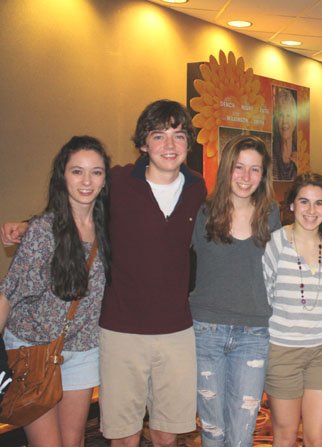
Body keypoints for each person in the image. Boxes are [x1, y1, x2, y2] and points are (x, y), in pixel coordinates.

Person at [97, 100, 206, 446]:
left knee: (166, 433)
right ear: (143, 144)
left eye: (178, 136)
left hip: (176, 332)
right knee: (123, 435)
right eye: (159, 136)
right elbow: (73, 207)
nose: (170, 146)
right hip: (121, 331)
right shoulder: (117, 182)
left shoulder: (197, 188)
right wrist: (26, 227)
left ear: (189, 143)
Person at [0, 136, 111, 446]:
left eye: (96, 172)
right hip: (32, 349)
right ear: (63, 175)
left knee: (73, 442)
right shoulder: (42, 230)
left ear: (105, 179)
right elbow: (8, 293)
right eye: (77, 171)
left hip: (82, 351)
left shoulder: (110, 229)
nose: (87, 181)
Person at [189, 134, 280, 446]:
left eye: (255, 170)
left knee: (242, 432)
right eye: (239, 168)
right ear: (227, 168)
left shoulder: (271, 214)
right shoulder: (202, 214)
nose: (246, 177)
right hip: (206, 332)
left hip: (254, 335)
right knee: (212, 431)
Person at [262, 172, 322, 447]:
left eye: (319, 203)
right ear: (292, 205)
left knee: (317, 438)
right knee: (285, 437)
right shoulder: (275, 243)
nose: (312, 210)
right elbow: (263, 296)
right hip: (282, 351)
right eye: (304, 202)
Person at [272, 87, 298, 181]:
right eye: (281, 116)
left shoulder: (301, 155)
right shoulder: (271, 153)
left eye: (288, 115)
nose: (285, 121)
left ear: (294, 121)